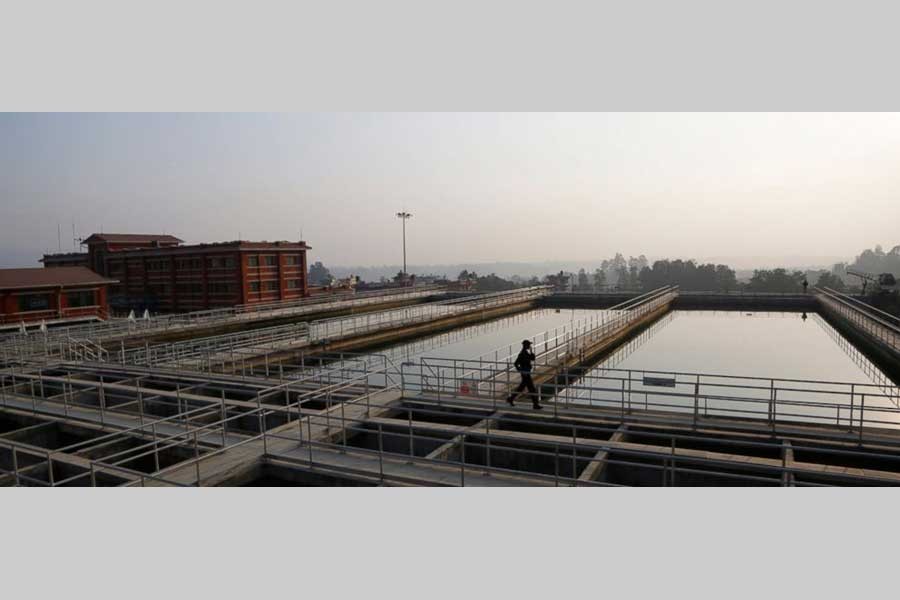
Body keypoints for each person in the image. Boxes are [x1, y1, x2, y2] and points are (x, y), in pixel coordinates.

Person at [507, 340, 542, 409]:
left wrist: (531, 351)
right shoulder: (522, 354)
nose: (530, 346)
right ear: (526, 345)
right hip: (525, 374)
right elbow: (516, 363)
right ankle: (535, 405)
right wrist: (521, 371)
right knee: (532, 389)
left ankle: (510, 399)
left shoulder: (526, 352)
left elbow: (533, 358)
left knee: (521, 388)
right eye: (529, 345)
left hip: (527, 373)